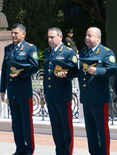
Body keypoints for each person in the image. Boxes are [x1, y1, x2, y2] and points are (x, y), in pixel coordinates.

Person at [0, 23, 38, 155]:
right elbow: (5, 69)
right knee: (16, 124)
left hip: (24, 92)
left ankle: (29, 150)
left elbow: (34, 67)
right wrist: (2, 89)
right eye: (12, 33)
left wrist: (20, 74)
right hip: (12, 92)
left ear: (24, 34)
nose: (13, 35)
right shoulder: (8, 48)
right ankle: (19, 148)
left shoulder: (30, 48)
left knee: (26, 123)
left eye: (16, 33)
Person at [78, 27, 116, 155]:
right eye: (86, 35)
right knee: (91, 131)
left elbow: (112, 70)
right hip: (87, 97)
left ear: (98, 38)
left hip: (99, 98)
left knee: (102, 130)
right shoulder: (83, 53)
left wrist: (98, 71)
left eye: (90, 36)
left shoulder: (106, 52)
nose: (87, 38)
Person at [43, 27, 78, 155]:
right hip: (51, 96)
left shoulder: (69, 52)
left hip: (63, 96)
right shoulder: (47, 53)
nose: (50, 40)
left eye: (52, 37)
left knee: (66, 127)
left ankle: (67, 152)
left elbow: (76, 71)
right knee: (56, 128)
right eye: (48, 37)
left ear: (60, 37)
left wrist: (67, 75)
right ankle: (59, 151)